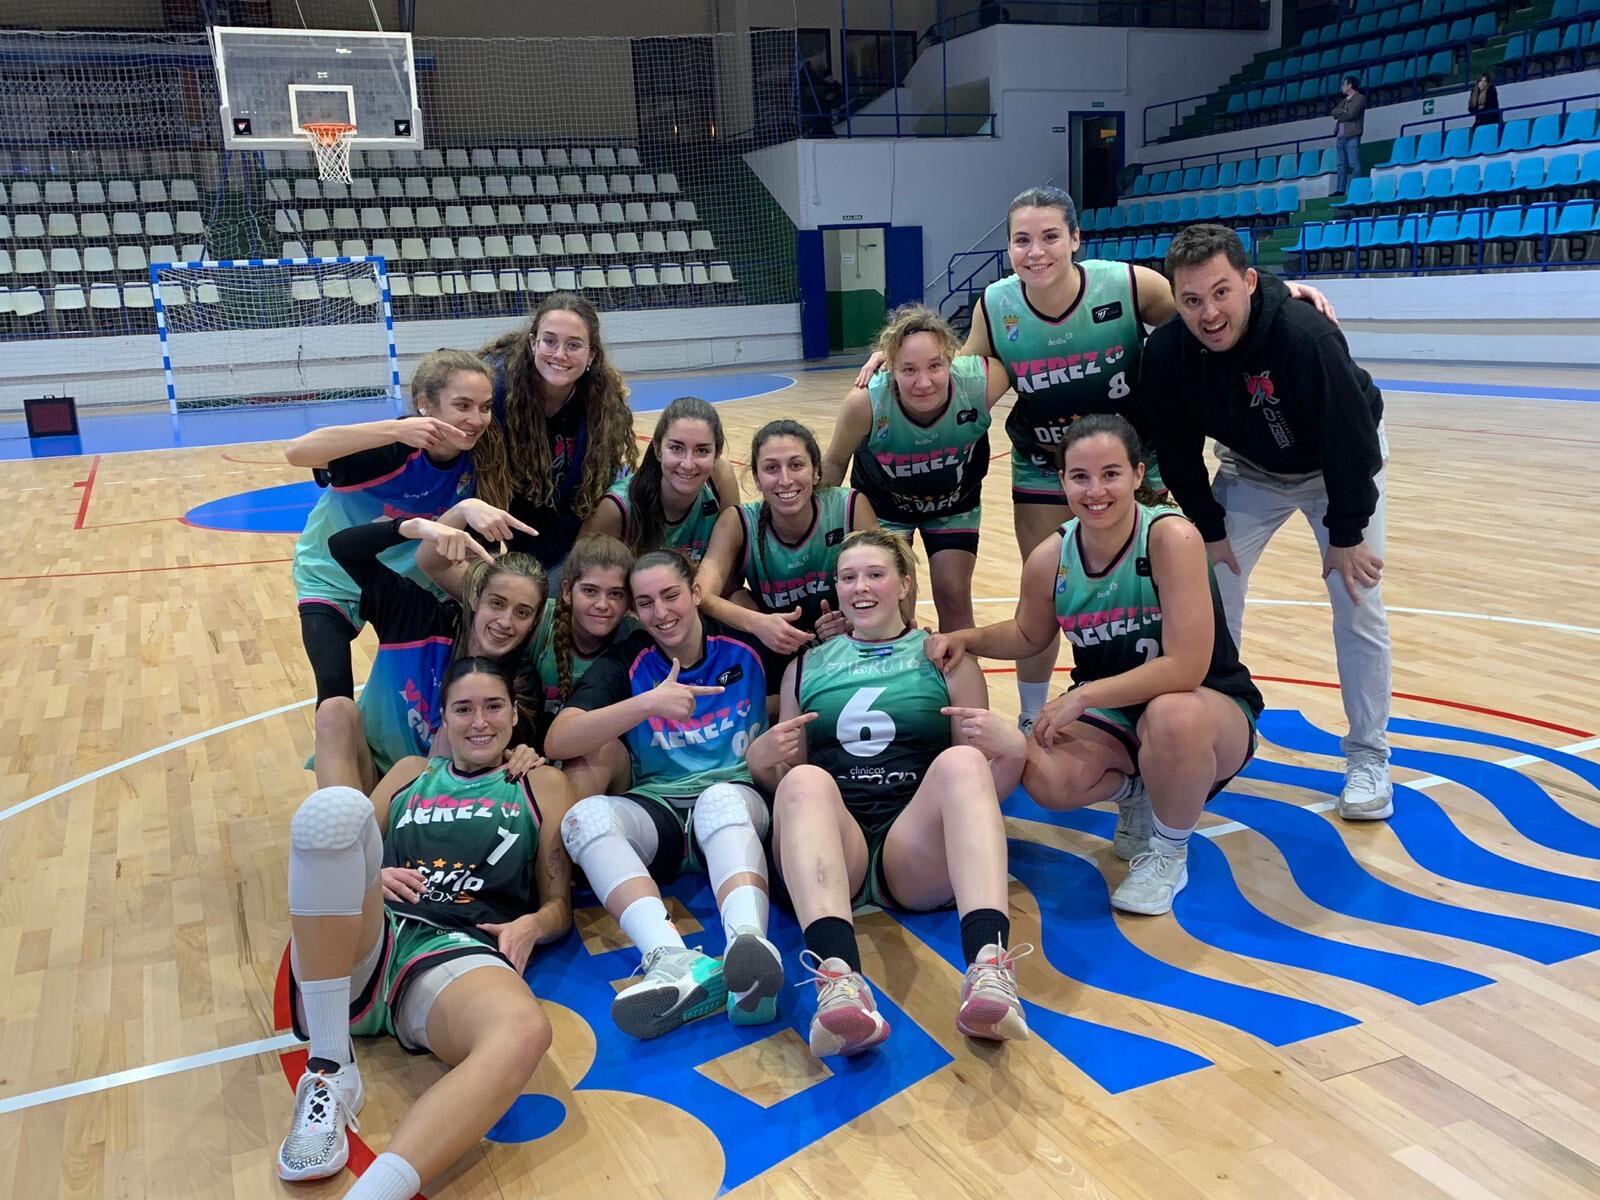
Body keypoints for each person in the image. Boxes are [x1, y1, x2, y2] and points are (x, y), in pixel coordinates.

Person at [854, 186, 1329, 735]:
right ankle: (1033, 713)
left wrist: (1273, 292)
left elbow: (1210, 309)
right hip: (1043, 465)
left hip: (1129, 466)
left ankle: (1163, 711)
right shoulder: (996, 304)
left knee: (1150, 594)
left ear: (1076, 239)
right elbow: (950, 377)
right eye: (1022, 240)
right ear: (1008, 249)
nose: (1037, 252)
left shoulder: (1127, 284)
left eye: (1051, 236)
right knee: (1046, 593)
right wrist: (899, 354)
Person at [926, 414, 1264, 917]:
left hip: (1209, 710)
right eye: (1080, 476)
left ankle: (1168, 853)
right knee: (1041, 769)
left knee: (1171, 714)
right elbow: (1027, 634)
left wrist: (1081, 695)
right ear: (1062, 480)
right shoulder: (1051, 556)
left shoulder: (1172, 537)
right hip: (1120, 713)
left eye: (1110, 473)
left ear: (1136, 475)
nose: (1095, 489)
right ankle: (1139, 792)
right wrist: (962, 638)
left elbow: (1187, 668)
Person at [277, 657, 573, 1199]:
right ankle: (329, 1068)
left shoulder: (541, 783)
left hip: (457, 948)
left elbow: (559, 901)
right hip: (373, 932)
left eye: (493, 707)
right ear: (443, 719)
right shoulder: (412, 771)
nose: (479, 721)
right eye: (463, 709)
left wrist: (534, 924)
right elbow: (342, 848)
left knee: (523, 1033)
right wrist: (375, 872)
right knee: (334, 812)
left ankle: (374, 1194)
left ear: (514, 718)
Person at [748, 529, 1029, 1057]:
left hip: (916, 848)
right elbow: (793, 793)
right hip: (839, 851)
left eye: (875, 574)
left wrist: (1013, 753)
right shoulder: (806, 665)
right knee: (805, 779)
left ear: (903, 584)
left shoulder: (944, 658)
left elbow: (976, 795)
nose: (861, 587)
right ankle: (838, 980)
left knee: (965, 758)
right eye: (848, 577)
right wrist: (764, 767)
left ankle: (989, 969)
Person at [1144, 223, 1391, 821]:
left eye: (1222, 292)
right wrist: (1208, 526)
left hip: (1337, 470)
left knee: (1357, 601)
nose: (1209, 313)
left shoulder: (1305, 336)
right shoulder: (1170, 354)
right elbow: (1175, 449)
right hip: (1250, 471)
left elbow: (1350, 437)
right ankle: (1210, 738)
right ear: (1174, 300)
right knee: (1202, 596)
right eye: (1192, 300)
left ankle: (1369, 760)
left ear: (1250, 282)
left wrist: (1347, 532)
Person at [544, 550, 782, 1039]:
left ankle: (749, 950)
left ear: (697, 594)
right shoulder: (630, 658)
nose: (662, 612)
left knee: (719, 799)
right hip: (663, 813)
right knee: (584, 818)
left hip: (737, 800)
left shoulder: (746, 645)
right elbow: (559, 740)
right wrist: (647, 703)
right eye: (646, 602)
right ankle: (672, 958)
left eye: (672, 595)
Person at [287, 348, 492, 710]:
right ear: (426, 404)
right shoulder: (390, 449)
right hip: (332, 575)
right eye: (462, 406)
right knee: (334, 695)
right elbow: (297, 451)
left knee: (436, 688)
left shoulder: (484, 460)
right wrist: (395, 428)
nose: (476, 419)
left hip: (411, 583)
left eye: (485, 407)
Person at [317, 499, 544, 793]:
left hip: (436, 798)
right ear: (474, 598)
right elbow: (342, 548)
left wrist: (525, 753)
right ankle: (345, 827)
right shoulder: (417, 617)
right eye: (497, 603)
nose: (505, 621)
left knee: (452, 738)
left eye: (522, 612)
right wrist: (413, 527)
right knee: (335, 710)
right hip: (368, 773)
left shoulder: (520, 682)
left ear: (534, 621)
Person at [822, 304, 1011, 631]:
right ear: (890, 367)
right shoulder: (866, 402)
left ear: (951, 360)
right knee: (894, 603)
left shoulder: (982, 381)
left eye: (935, 365)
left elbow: (1027, 360)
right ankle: (902, 678)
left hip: (955, 504)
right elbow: (836, 461)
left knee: (953, 593)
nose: (923, 382)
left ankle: (962, 679)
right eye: (908, 369)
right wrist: (814, 526)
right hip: (884, 507)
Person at [697, 420, 879, 695]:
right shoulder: (738, 522)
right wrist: (758, 623)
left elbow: (891, 581)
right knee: (734, 605)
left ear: (816, 471)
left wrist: (855, 620)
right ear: (757, 479)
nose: (785, 479)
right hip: (774, 648)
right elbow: (701, 595)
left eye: (796, 465)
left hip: (847, 643)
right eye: (771, 468)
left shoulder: (849, 507)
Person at [475, 294, 639, 580]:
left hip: (563, 535)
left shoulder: (602, 402)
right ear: (532, 342)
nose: (560, 354)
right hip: (500, 522)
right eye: (549, 341)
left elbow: (591, 488)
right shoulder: (497, 392)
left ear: (592, 355)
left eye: (573, 345)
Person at [580, 395, 739, 562]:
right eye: (677, 448)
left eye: (702, 451)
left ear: (717, 455)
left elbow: (731, 568)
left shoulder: (720, 478)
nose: (688, 464)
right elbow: (579, 578)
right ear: (658, 449)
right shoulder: (616, 509)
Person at [1330, 75, 1366, 196]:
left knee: (1353, 163)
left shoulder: (1360, 98)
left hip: (1352, 135)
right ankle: (1340, 189)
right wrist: (1342, 112)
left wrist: (1342, 113)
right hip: (1341, 134)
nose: (1342, 87)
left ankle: (1357, 188)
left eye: (1344, 85)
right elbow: (1333, 112)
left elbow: (1351, 114)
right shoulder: (1344, 101)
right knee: (1341, 165)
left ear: (1350, 85)